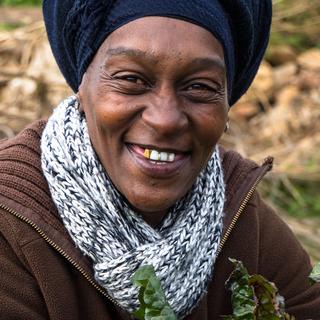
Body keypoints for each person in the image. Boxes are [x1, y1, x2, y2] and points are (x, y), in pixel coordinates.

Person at [0, 0, 319, 319]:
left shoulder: (243, 215)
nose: (165, 120)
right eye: (131, 80)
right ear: (82, 88)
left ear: (226, 106)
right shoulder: (12, 218)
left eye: (199, 86)